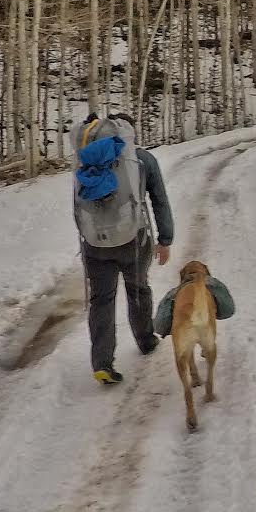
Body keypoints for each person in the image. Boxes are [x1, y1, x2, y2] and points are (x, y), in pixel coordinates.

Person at [73, 112, 174, 384]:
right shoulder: (142, 160)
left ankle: (102, 363)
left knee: (101, 300)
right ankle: (146, 340)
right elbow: (160, 201)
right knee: (138, 289)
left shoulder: (87, 158)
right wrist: (165, 239)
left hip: (95, 243)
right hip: (134, 239)